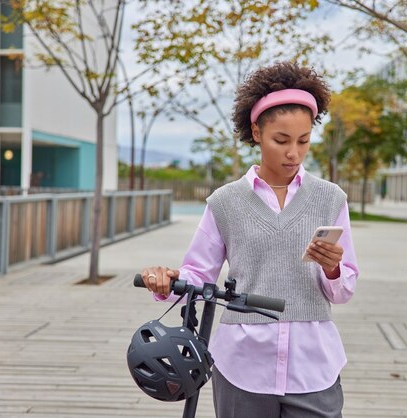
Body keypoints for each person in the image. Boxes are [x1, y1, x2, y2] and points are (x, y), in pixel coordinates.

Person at [141, 61, 358, 418]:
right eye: (281, 140)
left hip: (313, 366)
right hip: (242, 365)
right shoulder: (225, 202)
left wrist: (333, 269)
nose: (294, 153)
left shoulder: (330, 198)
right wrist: (165, 280)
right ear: (256, 132)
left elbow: (344, 290)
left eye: (303, 141)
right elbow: (198, 275)